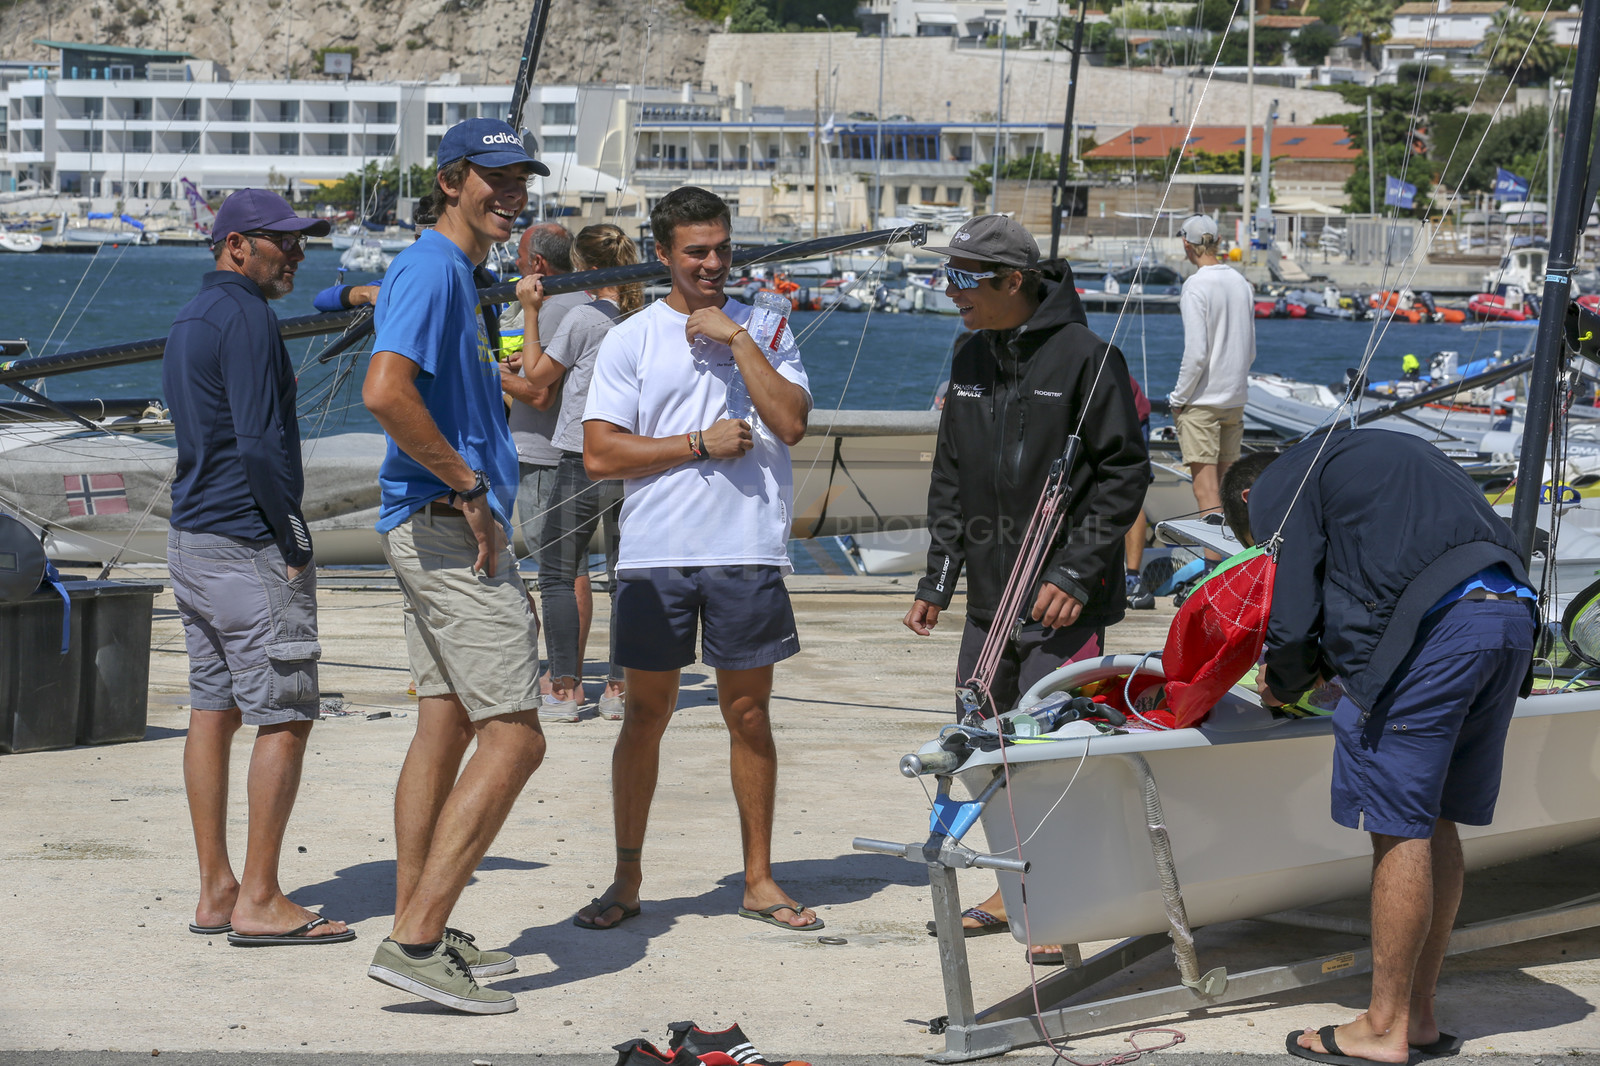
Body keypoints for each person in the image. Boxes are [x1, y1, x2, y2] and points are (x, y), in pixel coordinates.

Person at [1220, 429, 1536, 1066]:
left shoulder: (1283, 481)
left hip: (1440, 636)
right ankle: (1417, 1013)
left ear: (1252, 493)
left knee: (1399, 831)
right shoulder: (1377, 452)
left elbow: (1293, 610)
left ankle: (1383, 1027)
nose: (1265, 549)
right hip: (1510, 616)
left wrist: (1282, 684)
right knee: (1434, 818)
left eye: (1259, 538)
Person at [574, 185, 820, 932]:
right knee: (644, 716)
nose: (713, 263)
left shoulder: (768, 327)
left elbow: (792, 424)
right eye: (697, 252)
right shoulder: (630, 338)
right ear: (664, 255)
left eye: (722, 249)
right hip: (655, 557)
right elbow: (598, 455)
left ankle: (759, 879)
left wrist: (738, 340)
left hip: (745, 550)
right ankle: (625, 880)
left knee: (749, 715)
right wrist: (696, 444)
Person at [902, 214, 1148, 958]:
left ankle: (1050, 902)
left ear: (1015, 281)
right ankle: (1008, 884)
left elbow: (1123, 473)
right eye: (945, 276)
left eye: (965, 279)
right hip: (985, 593)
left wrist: (1076, 571)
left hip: (1059, 598)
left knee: (1047, 744)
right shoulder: (969, 353)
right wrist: (937, 578)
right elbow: (952, 472)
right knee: (983, 739)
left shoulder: (1088, 359)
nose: (951, 293)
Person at [360, 117, 551, 1014]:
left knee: (443, 726)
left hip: (430, 523)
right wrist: (472, 490)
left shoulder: (453, 275)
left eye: (522, 179)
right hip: (449, 529)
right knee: (516, 734)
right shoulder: (437, 269)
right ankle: (420, 939)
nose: (513, 193)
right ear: (451, 181)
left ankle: (413, 917)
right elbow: (385, 391)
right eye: (496, 178)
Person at [163, 188, 354, 947]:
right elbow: (258, 444)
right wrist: (296, 539)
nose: (297, 253)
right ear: (236, 245)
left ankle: (217, 890)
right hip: (247, 544)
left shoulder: (192, 317)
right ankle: (261, 900)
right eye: (283, 242)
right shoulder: (246, 317)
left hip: (191, 540)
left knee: (214, 711)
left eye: (302, 241)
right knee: (286, 715)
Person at [513, 223, 640, 722]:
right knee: (625, 575)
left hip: (580, 457)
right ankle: (620, 685)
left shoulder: (585, 317)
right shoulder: (643, 317)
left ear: (583, 269)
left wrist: (530, 310)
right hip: (634, 459)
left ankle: (566, 689)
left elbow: (536, 375)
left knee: (558, 574)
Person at [498, 221, 595, 721]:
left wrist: (490, 372)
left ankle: (565, 682)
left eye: (518, 255)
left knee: (562, 572)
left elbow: (538, 391)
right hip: (563, 453)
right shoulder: (583, 302)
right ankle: (571, 674)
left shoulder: (556, 309)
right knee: (570, 570)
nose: (513, 264)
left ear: (538, 263)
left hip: (543, 455)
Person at [1169, 213, 1255, 525]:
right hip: (1234, 400)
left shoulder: (1195, 287)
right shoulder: (1241, 284)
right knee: (1230, 493)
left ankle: (1213, 570)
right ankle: (1237, 566)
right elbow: (1250, 350)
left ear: (1186, 245)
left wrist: (1178, 399)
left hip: (1203, 402)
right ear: (1218, 243)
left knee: (1205, 493)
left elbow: (1196, 354)